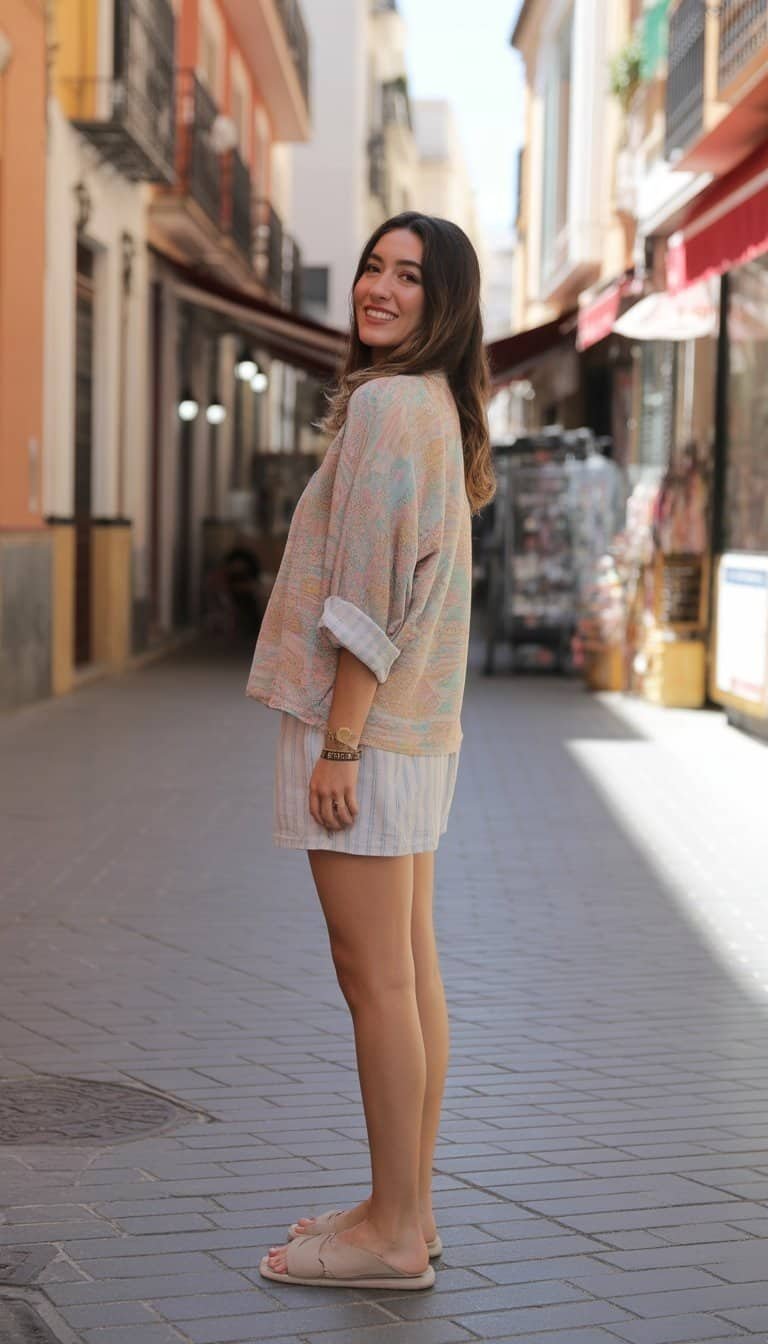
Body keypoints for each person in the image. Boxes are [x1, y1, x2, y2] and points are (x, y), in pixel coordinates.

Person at [246, 212, 495, 1291]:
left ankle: (393, 1239)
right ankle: (408, 1205)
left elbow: (363, 601)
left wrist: (338, 745)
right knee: (408, 973)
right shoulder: (427, 403)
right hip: (413, 730)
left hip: (371, 732)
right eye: (373, 267)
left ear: (447, 305)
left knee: (375, 981)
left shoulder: (393, 405)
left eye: (410, 277)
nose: (380, 288)